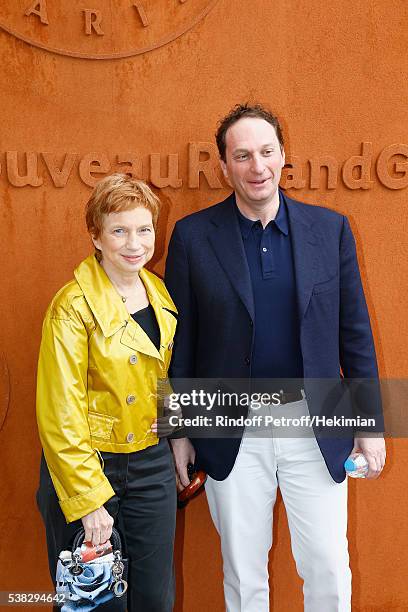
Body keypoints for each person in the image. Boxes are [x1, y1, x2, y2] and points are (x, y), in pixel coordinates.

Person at [165, 103, 386, 611]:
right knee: (244, 574)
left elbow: (356, 336)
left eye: (266, 152)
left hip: (316, 424)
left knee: (328, 564)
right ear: (224, 165)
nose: (256, 166)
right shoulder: (194, 237)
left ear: (284, 155)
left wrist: (370, 424)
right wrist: (177, 431)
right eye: (242, 155)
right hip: (230, 428)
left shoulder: (329, 231)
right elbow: (181, 345)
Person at [36, 173, 177, 611]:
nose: (134, 243)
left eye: (144, 229)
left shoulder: (157, 291)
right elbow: (60, 413)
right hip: (93, 466)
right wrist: (89, 499)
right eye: (119, 230)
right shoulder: (71, 307)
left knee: (153, 598)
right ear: (95, 236)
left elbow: (155, 372)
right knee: (93, 601)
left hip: (151, 466)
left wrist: (172, 412)